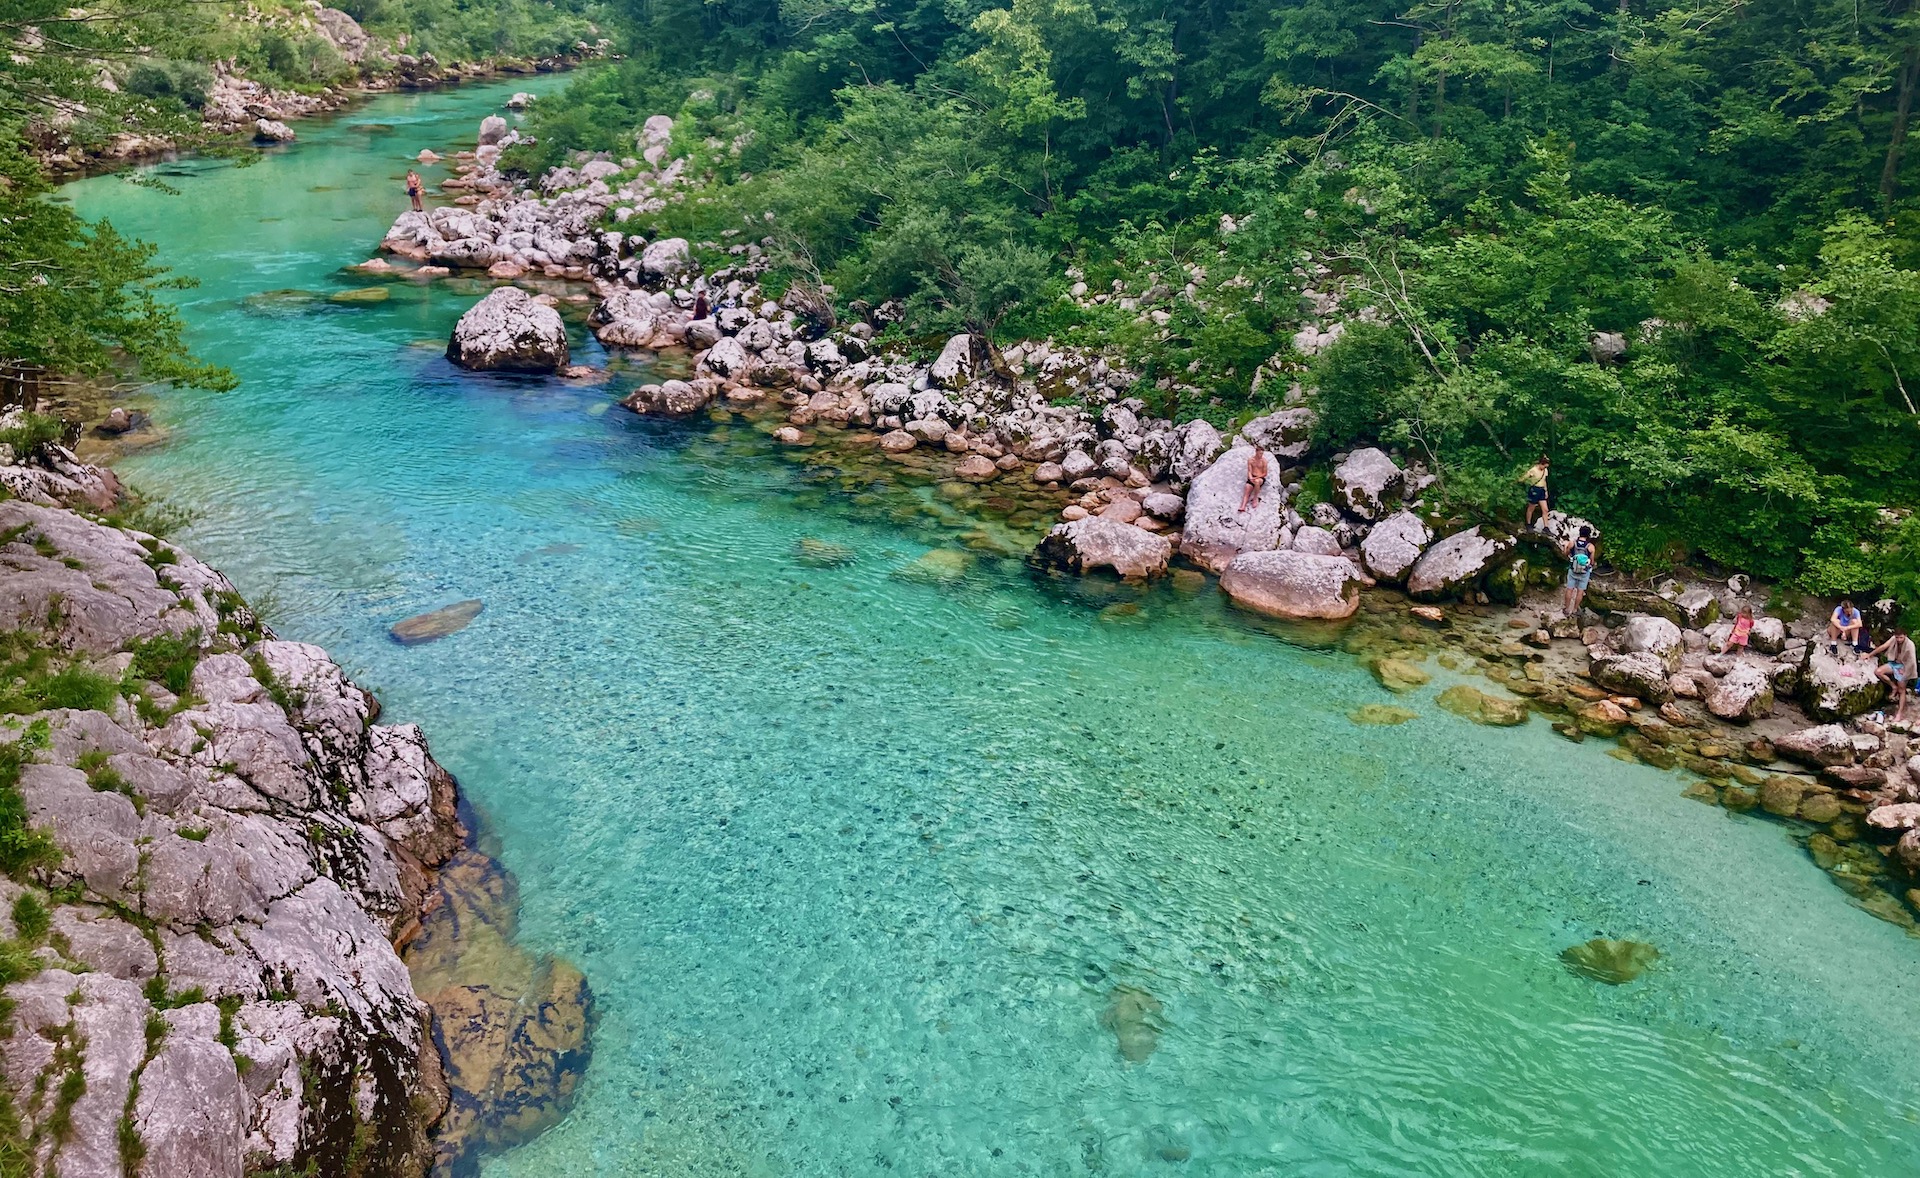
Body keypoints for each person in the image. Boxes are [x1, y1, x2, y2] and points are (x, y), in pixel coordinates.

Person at [1872, 628, 1917, 721]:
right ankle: (1893, 686)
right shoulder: (1893, 639)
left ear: (1905, 636)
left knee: (1901, 690)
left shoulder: (1910, 645)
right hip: (1894, 663)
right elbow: (1883, 647)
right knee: (1878, 672)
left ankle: (1899, 713)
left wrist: (1905, 670)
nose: (1899, 640)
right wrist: (1869, 654)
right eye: (1897, 637)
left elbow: (1912, 661)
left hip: (1905, 666)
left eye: (1901, 637)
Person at [1560, 525, 1597, 617]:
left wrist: (1565, 547)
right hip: (1584, 572)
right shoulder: (1591, 547)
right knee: (1580, 591)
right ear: (1588, 535)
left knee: (1569, 589)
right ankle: (1575, 610)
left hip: (1573, 570)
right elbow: (1592, 562)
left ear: (1579, 533)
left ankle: (1567, 609)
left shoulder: (1572, 543)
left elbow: (1565, 554)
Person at [1520, 456, 1550, 530]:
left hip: (1542, 490)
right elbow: (1523, 478)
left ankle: (1546, 527)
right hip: (1535, 489)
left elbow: (1544, 480)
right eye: (1544, 466)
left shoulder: (1545, 470)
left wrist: (1546, 491)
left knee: (1545, 509)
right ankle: (1528, 524)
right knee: (1531, 507)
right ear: (1541, 464)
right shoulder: (1533, 470)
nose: (1544, 468)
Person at [1239, 448, 1270, 512]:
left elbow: (1265, 473)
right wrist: (1250, 477)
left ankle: (1255, 498)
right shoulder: (1251, 460)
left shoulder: (1264, 461)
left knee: (1257, 482)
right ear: (1256, 452)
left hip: (1260, 478)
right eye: (1260, 453)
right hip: (1252, 477)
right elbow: (1249, 471)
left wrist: (1256, 478)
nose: (1261, 455)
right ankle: (1243, 506)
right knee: (1247, 488)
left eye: (1262, 453)